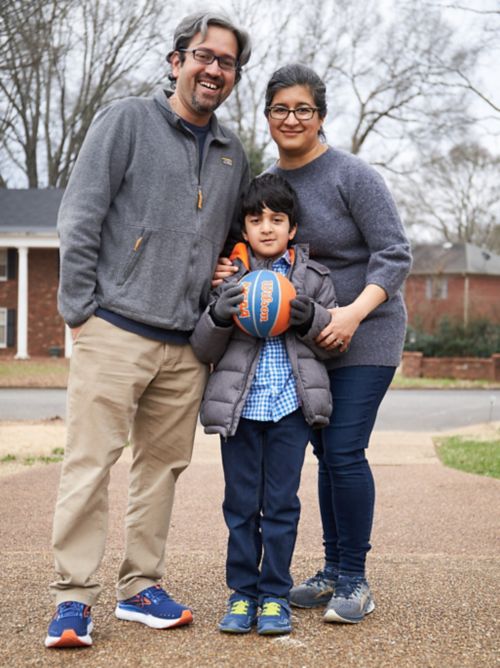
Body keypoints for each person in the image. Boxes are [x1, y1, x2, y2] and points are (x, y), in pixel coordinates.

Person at [45, 11, 251, 649]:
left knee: (161, 470)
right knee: (89, 464)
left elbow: (233, 236)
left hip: (187, 344)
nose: (213, 69)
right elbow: (81, 215)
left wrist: (229, 269)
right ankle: (74, 599)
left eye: (226, 62)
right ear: (176, 60)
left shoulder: (231, 152)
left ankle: (140, 589)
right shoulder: (127, 120)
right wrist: (80, 309)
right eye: (203, 56)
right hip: (114, 328)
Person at [215, 63, 412, 625]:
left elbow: (394, 253)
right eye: (281, 109)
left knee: (344, 451)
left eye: (303, 109)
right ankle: (329, 570)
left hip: (366, 330)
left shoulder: (353, 176)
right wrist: (223, 274)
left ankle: (354, 577)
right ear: (268, 117)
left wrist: (351, 315)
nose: (292, 118)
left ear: (320, 116)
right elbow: (243, 247)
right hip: (304, 338)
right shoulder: (268, 185)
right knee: (324, 454)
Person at [190, 173, 341, 636]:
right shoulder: (227, 277)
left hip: (290, 411)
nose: (267, 227)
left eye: (277, 219)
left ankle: (275, 595)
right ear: (245, 227)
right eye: (256, 219)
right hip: (240, 411)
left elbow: (334, 346)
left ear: (293, 228)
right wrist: (218, 315)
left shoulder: (314, 279)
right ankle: (242, 594)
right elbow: (203, 348)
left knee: (280, 505)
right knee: (240, 505)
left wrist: (311, 320)